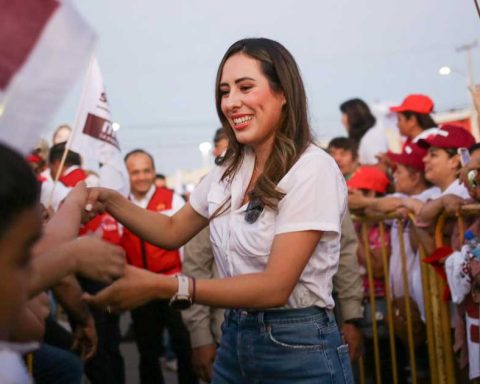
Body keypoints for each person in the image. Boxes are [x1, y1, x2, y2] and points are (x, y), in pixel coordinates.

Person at [84, 38, 353, 383]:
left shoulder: (312, 169)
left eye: (245, 87)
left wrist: (165, 286)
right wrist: (109, 200)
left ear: (283, 92)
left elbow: (275, 287)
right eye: (224, 92)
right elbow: (171, 231)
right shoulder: (229, 168)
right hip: (234, 338)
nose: (231, 102)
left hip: (298, 348)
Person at [121, 149, 197, 384]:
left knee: (184, 345)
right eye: (135, 172)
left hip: (173, 284)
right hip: (140, 288)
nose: (142, 177)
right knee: (147, 351)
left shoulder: (172, 198)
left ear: (153, 172)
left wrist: (187, 280)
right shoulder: (121, 203)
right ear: (126, 175)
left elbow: (186, 244)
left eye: (146, 171)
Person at [340, 98, 389, 165]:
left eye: (344, 115)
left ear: (354, 116)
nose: (342, 120)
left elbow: (380, 167)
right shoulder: (364, 136)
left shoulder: (372, 137)